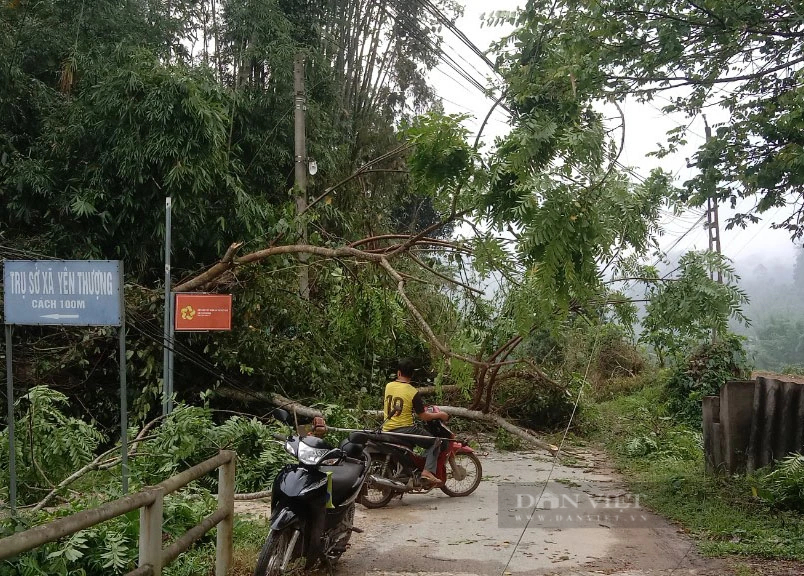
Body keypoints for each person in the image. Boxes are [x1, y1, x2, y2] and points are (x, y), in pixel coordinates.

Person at [382, 357, 449, 485]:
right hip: (405, 429)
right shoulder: (413, 392)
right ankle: (427, 471)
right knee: (435, 441)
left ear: (398, 373)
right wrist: (440, 414)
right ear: (412, 374)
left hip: (387, 428)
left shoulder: (388, 386)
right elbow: (423, 416)